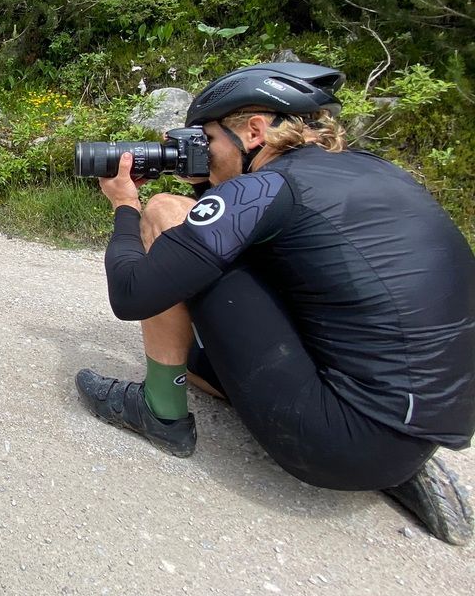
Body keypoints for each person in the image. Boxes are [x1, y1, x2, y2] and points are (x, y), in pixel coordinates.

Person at [75, 62, 475, 545]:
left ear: (255, 130)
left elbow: (133, 293)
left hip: (331, 442)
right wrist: (208, 179)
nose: (202, 154)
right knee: (206, 348)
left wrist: (125, 205)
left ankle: (160, 412)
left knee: (166, 212)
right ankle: (393, 466)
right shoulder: (378, 171)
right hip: (422, 430)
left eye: (206, 141)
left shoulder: (268, 186)